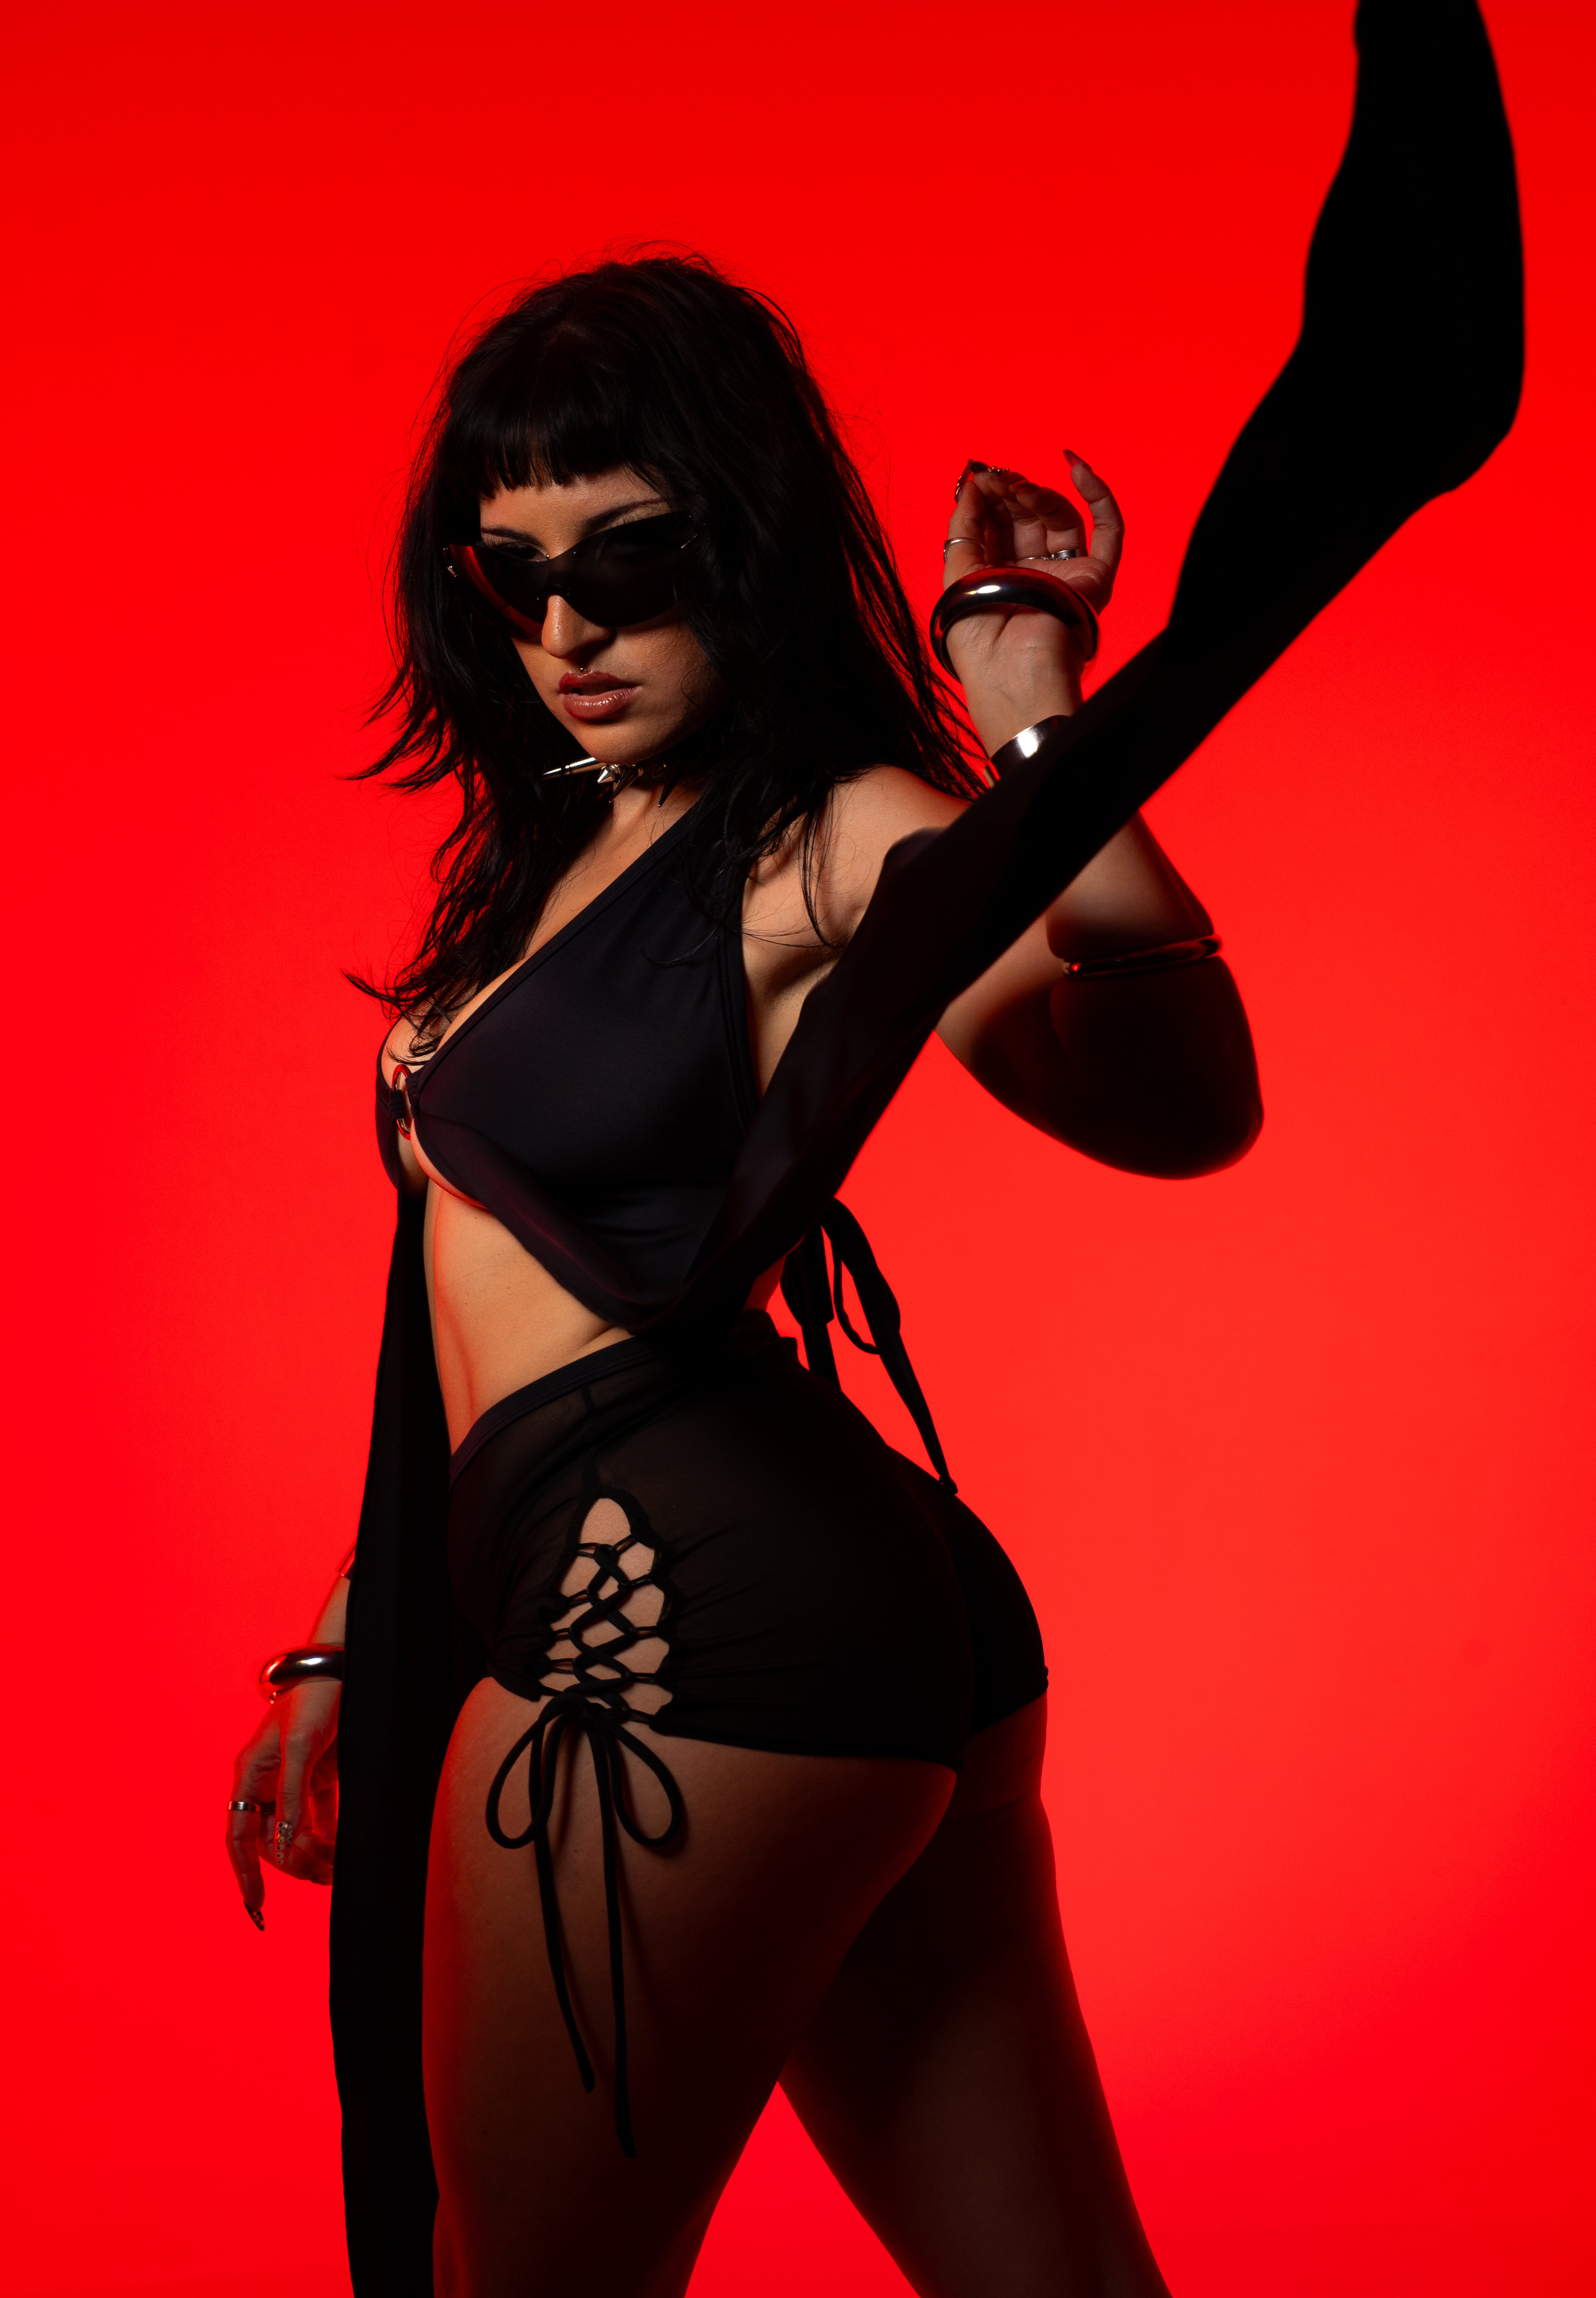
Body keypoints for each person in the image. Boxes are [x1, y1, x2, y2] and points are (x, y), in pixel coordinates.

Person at [225, 7, 1523, 2294]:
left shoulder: (827, 832)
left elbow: (1182, 1100)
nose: (565, 632)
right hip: (831, 1612)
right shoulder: (549, 867)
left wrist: (1032, 713)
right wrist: (352, 1632)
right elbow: (456, 1310)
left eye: (628, 563)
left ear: (740, 547)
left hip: (680, 1625)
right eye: (512, 579)